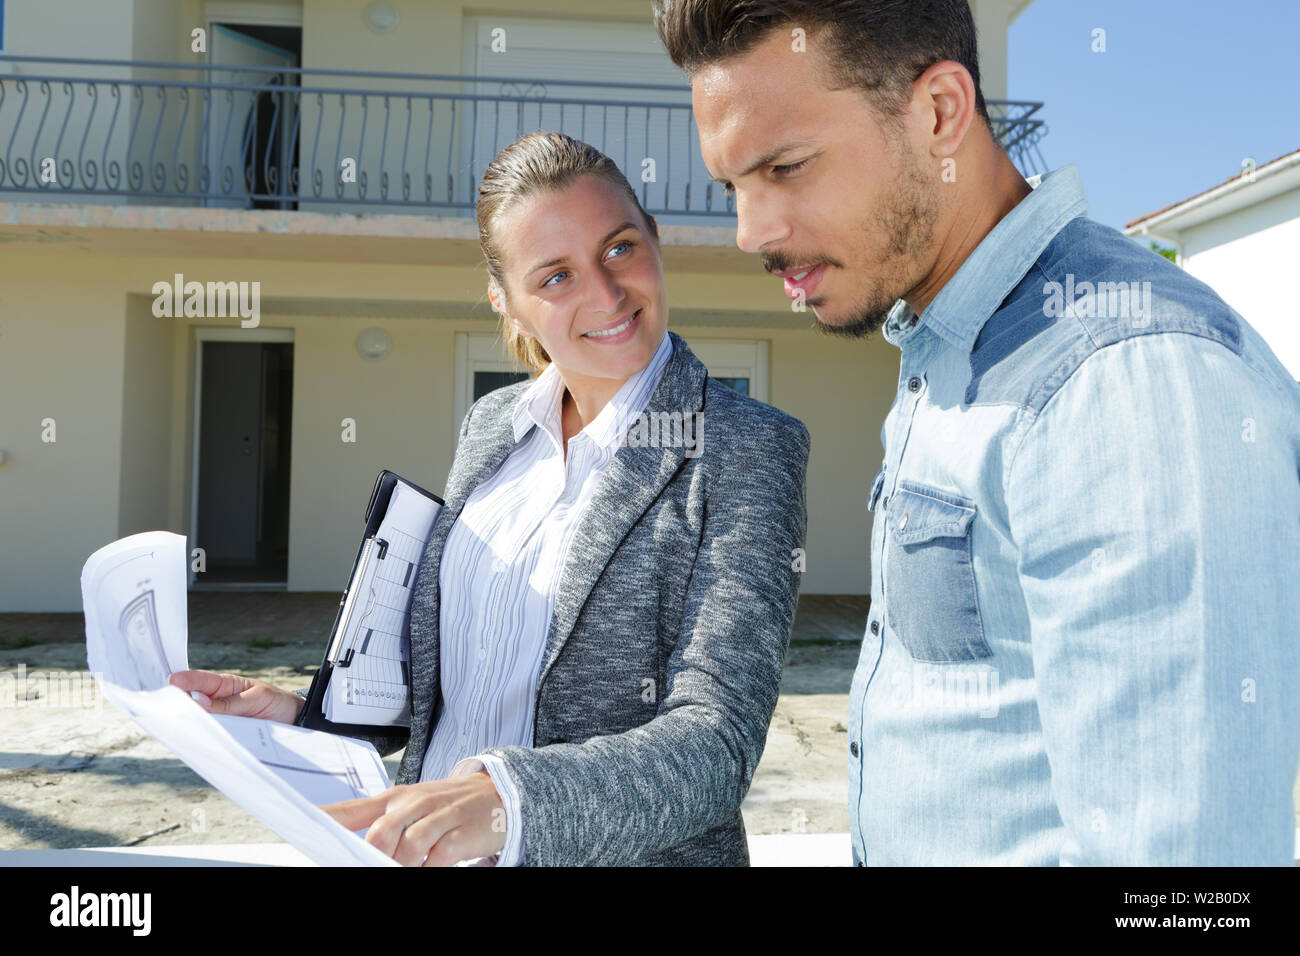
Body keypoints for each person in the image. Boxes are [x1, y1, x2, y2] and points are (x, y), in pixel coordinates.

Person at [652, 0, 1300, 865]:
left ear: (939, 113)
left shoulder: (1121, 378)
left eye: (788, 167)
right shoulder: (948, 345)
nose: (751, 233)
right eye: (735, 186)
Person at [170, 131, 811, 866]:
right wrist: (302, 717)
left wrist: (505, 801)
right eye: (556, 277)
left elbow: (715, 743)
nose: (605, 294)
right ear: (506, 302)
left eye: (620, 249)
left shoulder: (745, 446)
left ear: (656, 241)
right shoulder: (491, 428)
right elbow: (462, 676)